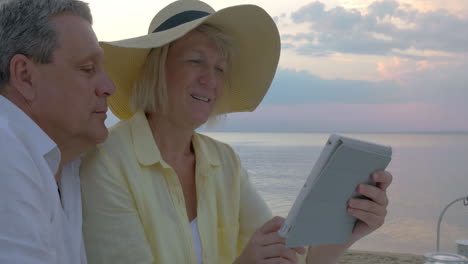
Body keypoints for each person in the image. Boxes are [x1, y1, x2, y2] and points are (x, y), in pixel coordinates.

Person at [80, 1, 393, 263]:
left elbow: (293, 256)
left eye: (220, 68)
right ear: (156, 70)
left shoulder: (222, 161)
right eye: (195, 61)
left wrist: (350, 228)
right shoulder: (106, 159)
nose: (211, 80)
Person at [0, 0, 115, 263]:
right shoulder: (4, 151)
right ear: (25, 76)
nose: (109, 87)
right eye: (88, 69)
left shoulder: (66, 164)